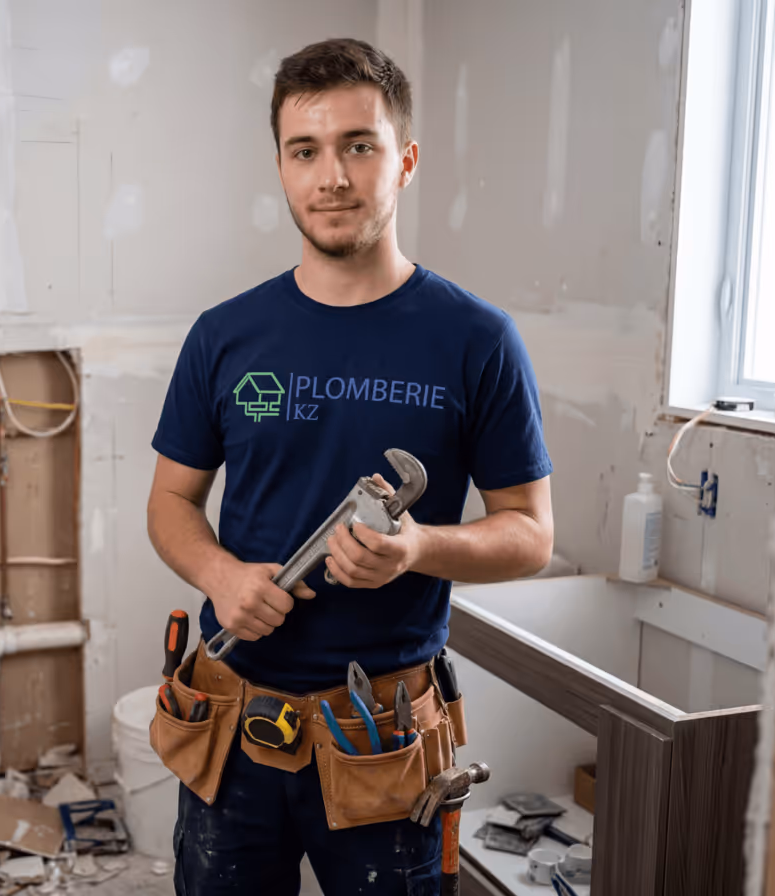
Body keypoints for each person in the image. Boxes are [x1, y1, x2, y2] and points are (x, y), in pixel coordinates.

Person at [146, 38, 554, 895]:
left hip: (386, 743)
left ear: (403, 161)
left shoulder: (477, 341)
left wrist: (418, 550)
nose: (331, 176)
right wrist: (219, 573)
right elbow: (171, 504)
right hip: (233, 723)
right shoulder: (225, 337)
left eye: (358, 146)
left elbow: (530, 536)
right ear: (283, 169)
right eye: (306, 151)